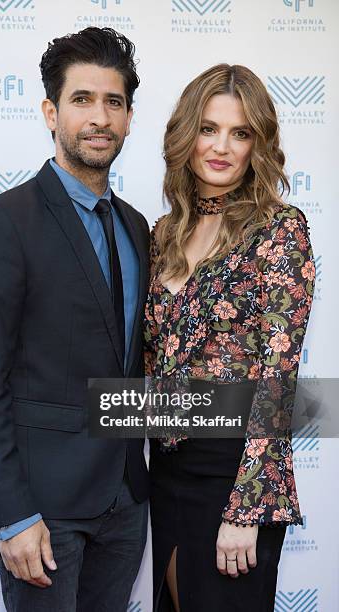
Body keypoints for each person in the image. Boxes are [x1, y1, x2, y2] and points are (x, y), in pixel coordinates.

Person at [0, 27, 149, 612]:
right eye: (82, 100)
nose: (100, 118)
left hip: (125, 503)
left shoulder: (138, 227)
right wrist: (12, 516)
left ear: (129, 117)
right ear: (51, 111)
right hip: (43, 513)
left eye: (113, 102)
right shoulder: (3, 221)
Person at [144, 64, 315, 612]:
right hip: (163, 476)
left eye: (239, 133)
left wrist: (246, 508)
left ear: (257, 145)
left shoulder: (279, 229)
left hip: (233, 474)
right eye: (208, 128)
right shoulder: (161, 235)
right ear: (185, 136)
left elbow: (278, 374)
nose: (221, 146)